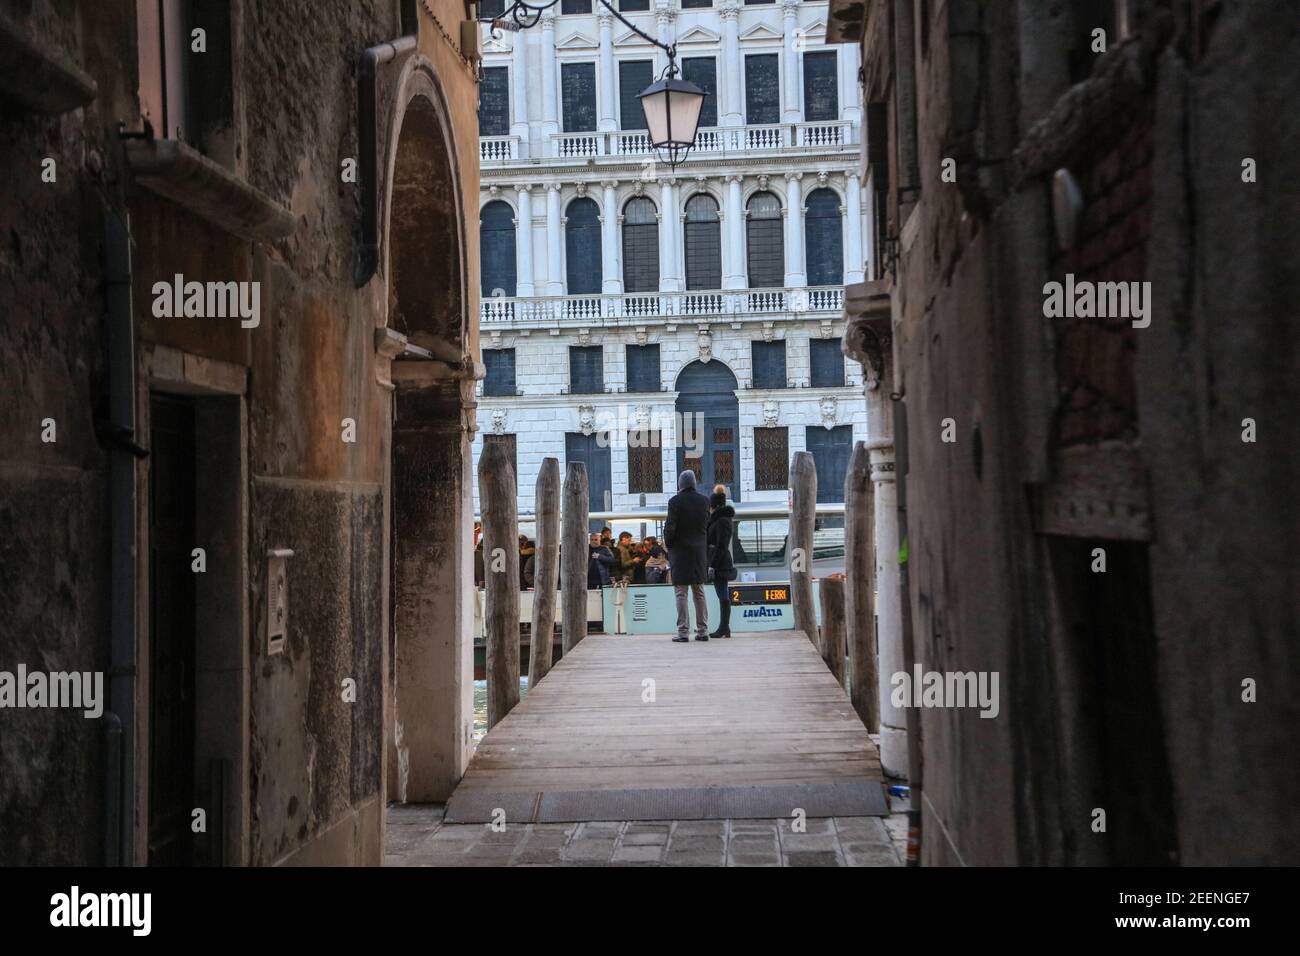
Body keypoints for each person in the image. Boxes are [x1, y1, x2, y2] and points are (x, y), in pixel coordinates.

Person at [664, 469, 710, 642]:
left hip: (680, 552)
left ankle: (683, 632)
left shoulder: (674, 502)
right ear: (694, 483)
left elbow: (670, 528)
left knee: (681, 593)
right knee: (699, 591)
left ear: (680, 485)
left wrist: (669, 545)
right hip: (699, 552)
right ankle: (702, 631)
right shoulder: (705, 501)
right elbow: (706, 525)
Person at [706, 490, 737, 638]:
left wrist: (712, 564)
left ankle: (724, 627)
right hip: (718, 560)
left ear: (714, 506)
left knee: (723, 594)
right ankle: (725, 627)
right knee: (722, 594)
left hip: (720, 562)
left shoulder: (721, 521)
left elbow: (721, 545)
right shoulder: (721, 520)